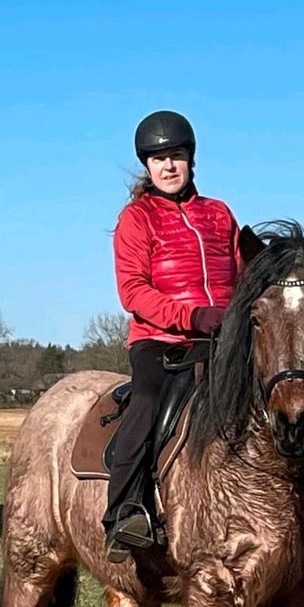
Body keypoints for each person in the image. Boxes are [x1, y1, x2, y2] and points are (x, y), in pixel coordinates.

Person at [103, 110, 240, 562]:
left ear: (190, 160)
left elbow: (244, 275)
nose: (168, 166)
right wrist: (193, 316)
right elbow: (134, 292)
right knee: (144, 403)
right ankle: (125, 510)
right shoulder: (136, 219)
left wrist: (236, 317)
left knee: (288, 395)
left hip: (225, 339)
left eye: (176, 156)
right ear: (147, 166)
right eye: (158, 159)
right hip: (160, 341)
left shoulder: (219, 215)